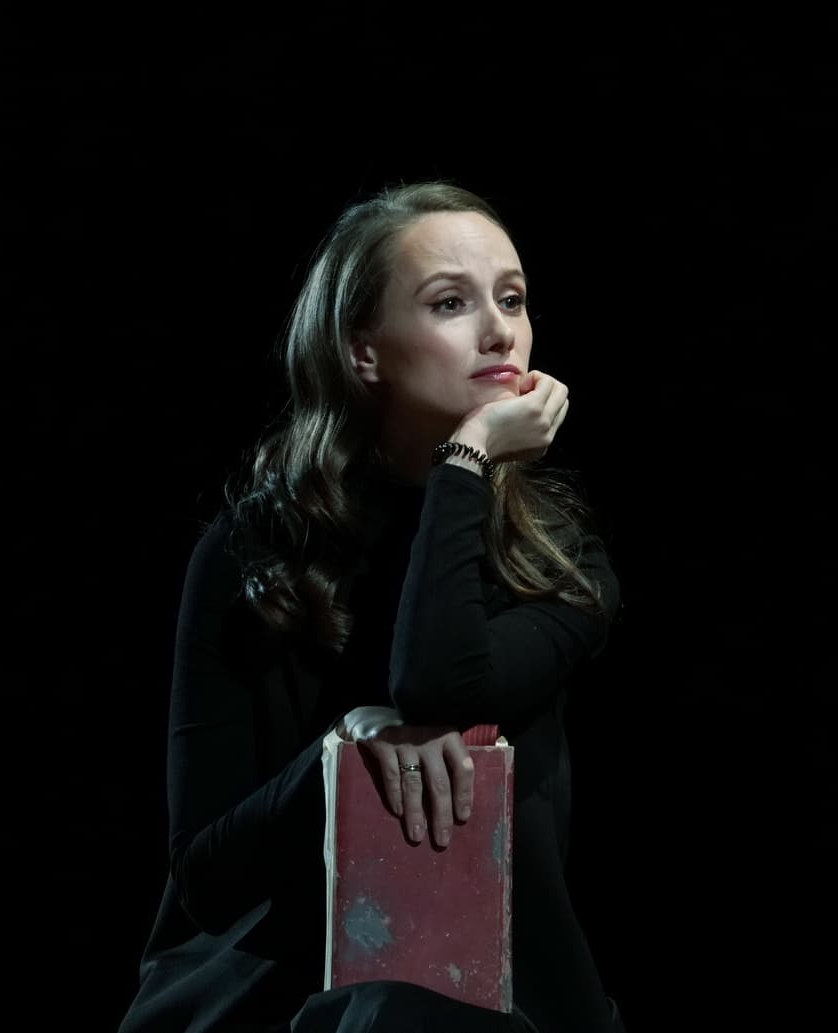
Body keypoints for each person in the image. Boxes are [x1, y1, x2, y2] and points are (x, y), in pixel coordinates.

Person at [118, 181, 626, 1033]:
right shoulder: (254, 551)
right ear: (364, 352)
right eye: (450, 302)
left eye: (511, 298)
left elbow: (439, 683)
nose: (499, 330)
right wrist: (340, 751)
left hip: (493, 991)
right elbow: (205, 875)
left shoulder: (556, 555)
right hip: (273, 985)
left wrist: (465, 458)